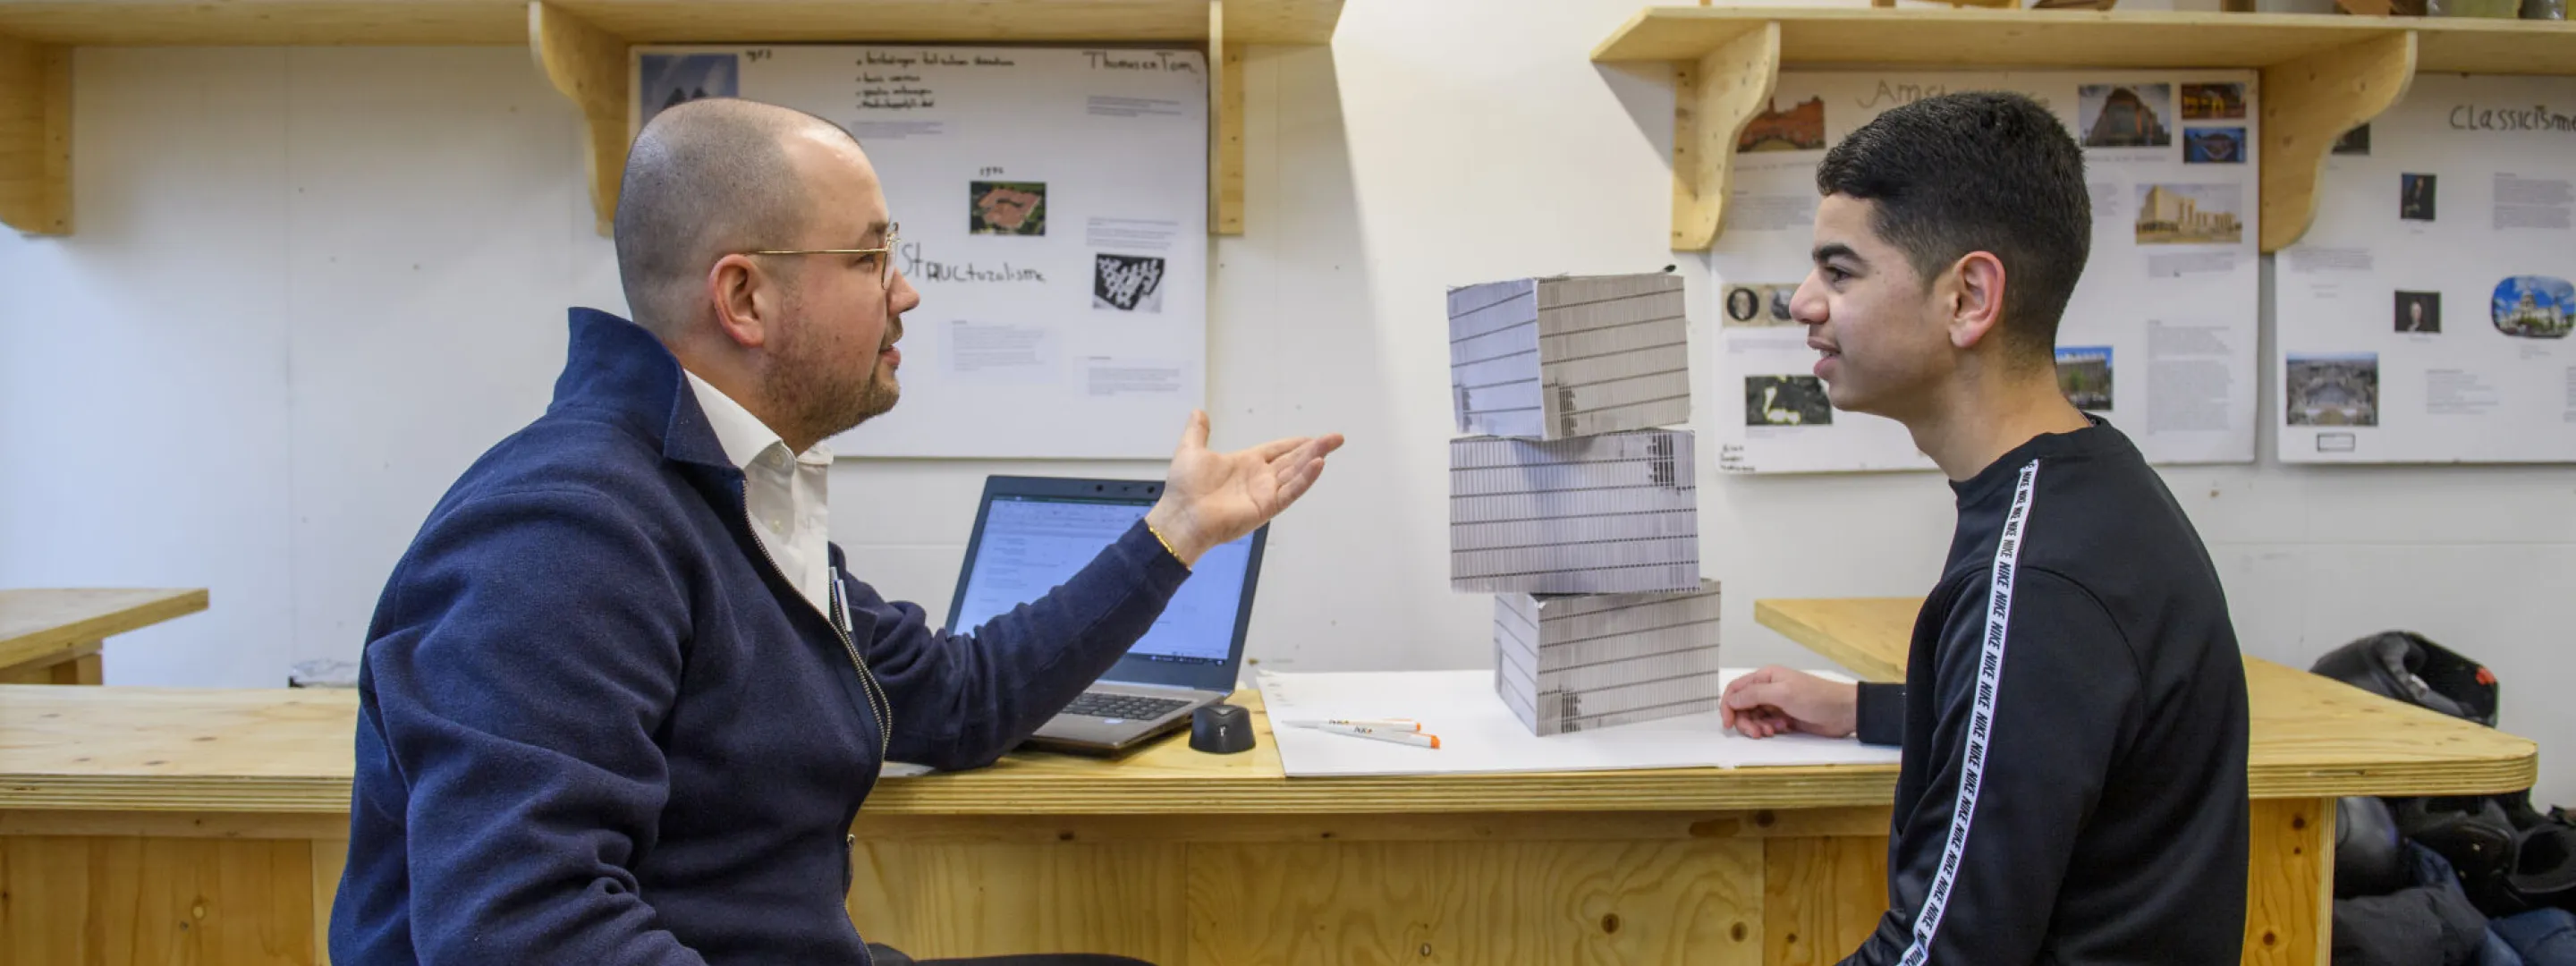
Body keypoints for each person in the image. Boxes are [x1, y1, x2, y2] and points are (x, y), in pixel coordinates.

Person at [330, 97, 1343, 965]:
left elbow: (957, 698)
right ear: (744, 297)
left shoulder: (728, 496)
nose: (905, 290)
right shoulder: (566, 530)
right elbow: (524, 933)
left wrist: (1176, 532)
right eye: (870, 256)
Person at [1716, 92, 2250, 964]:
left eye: (1840, 271)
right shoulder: (2091, 493)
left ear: (1968, 295)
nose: (1802, 302)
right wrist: (1861, 709)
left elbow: (1941, 952)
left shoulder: (2037, 583)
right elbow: (2048, 736)